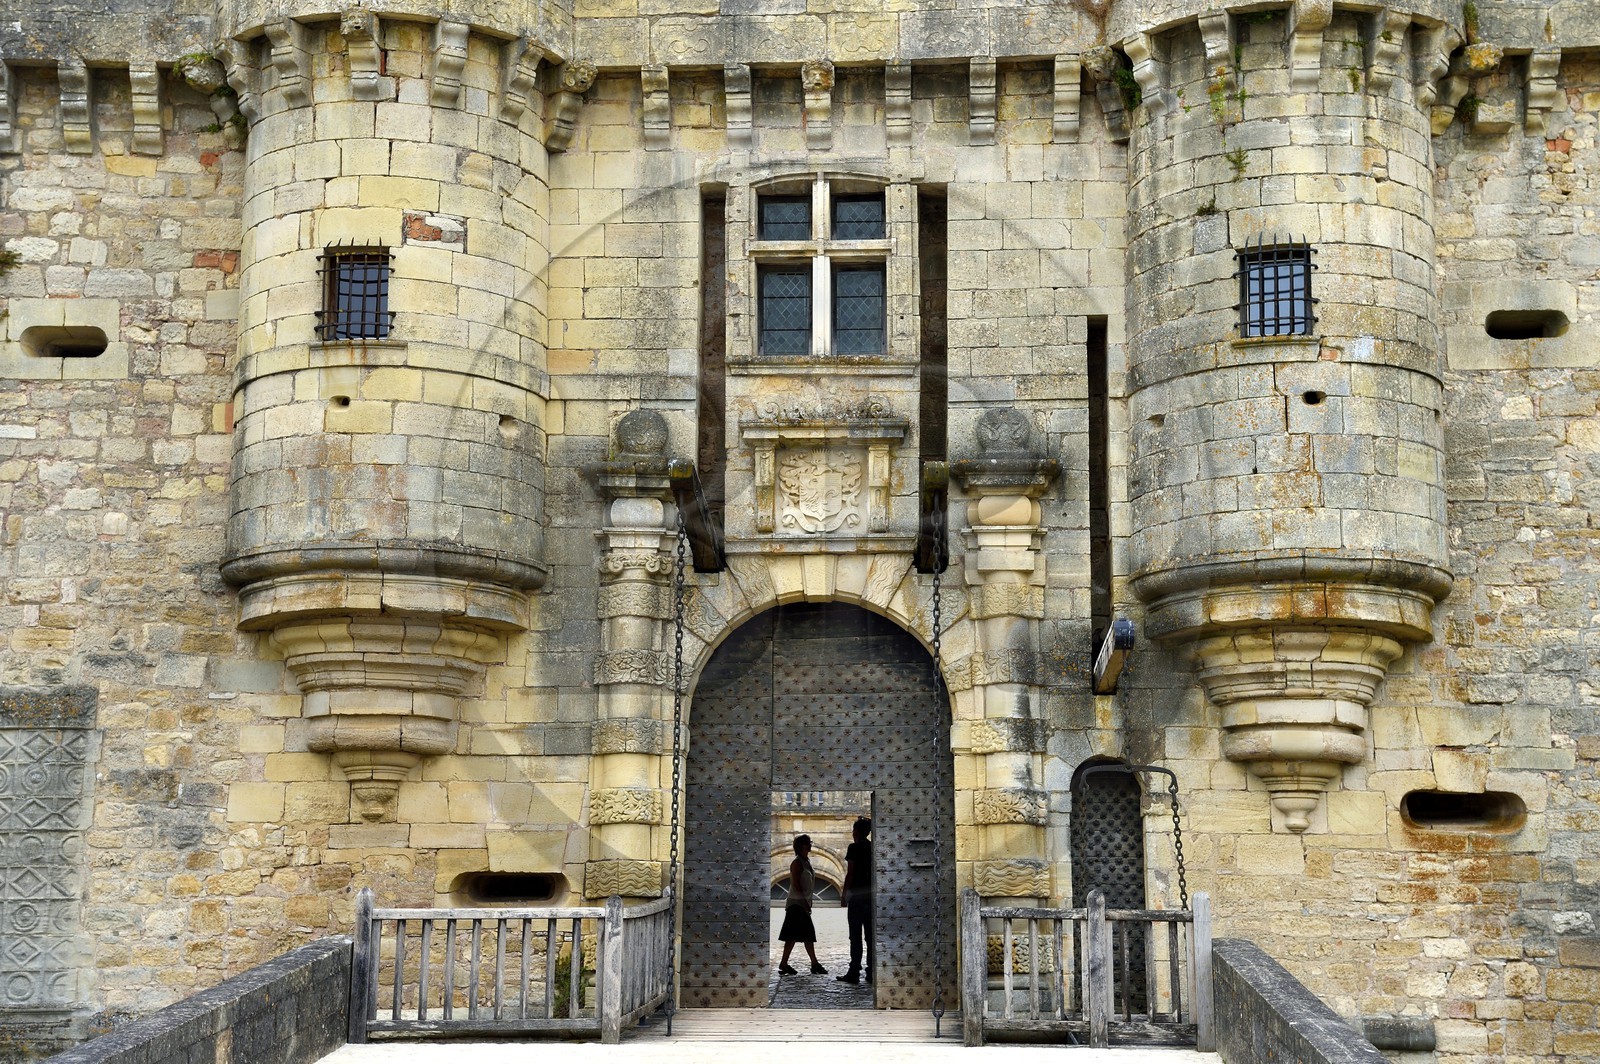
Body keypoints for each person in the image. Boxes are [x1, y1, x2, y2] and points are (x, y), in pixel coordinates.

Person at [777, 834, 827, 975]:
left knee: (797, 935)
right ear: (801, 846)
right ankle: (813, 964)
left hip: (801, 904)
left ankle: (786, 963)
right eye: (807, 843)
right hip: (796, 905)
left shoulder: (806, 862)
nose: (810, 845)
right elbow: (796, 884)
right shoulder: (797, 863)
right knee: (803, 935)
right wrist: (805, 903)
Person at [836, 817, 874, 984]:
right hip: (871, 897)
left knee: (855, 937)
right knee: (870, 937)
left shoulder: (854, 847)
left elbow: (850, 873)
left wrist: (844, 895)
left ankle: (854, 972)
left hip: (857, 898)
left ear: (856, 832)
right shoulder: (873, 847)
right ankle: (872, 971)